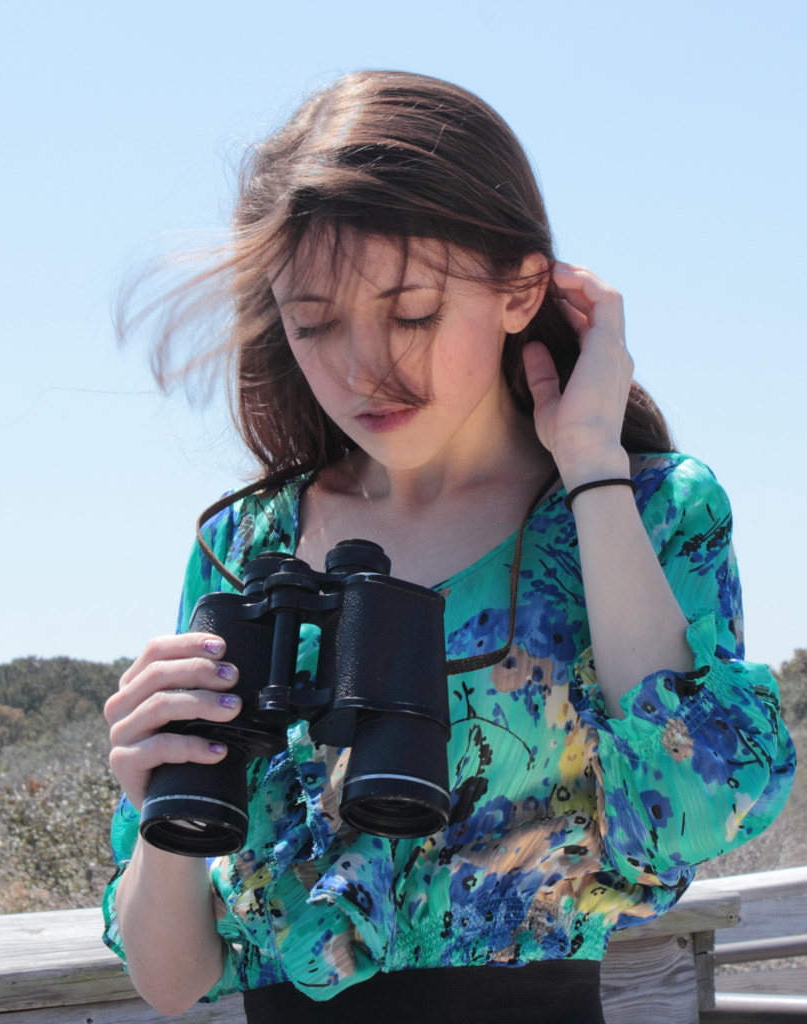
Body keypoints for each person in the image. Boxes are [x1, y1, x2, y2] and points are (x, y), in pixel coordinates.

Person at [102, 71, 795, 1023]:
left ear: (521, 288)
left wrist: (589, 463)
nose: (363, 368)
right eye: (314, 323)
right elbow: (171, 979)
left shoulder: (649, 509)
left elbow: (692, 804)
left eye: (413, 311)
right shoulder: (243, 549)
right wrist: (157, 806)